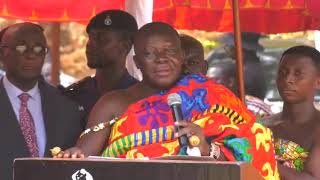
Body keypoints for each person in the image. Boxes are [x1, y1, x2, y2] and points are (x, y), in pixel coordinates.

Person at [55, 22, 279, 179]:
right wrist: (74, 154)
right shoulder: (114, 103)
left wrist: (206, 147)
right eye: (150, 54)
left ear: (181, 56)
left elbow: (254, 146)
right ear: (137, 61)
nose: (161, 59)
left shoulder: (212, 95)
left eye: (169, 51)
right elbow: (84, 156)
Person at [0, 22, 83, 180]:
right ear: (2, 53)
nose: (31, 55)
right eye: (21, 47)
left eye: (39, 48)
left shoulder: (66, 105)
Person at [61, 10, 138, 129]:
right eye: (91, 37)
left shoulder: (139, 97)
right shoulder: (74, 94)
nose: (91, 44)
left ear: (125, 46)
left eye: (102, 39)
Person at [262, 46, 320, 179]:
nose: (288, 79)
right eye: (282, 72)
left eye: (298, 74)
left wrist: (262, 161)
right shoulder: (260, 126)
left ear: (318, 81)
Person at [208, 60, 273, 118]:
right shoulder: (207, 107)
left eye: (213, 80)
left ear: (230, 82)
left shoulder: (255, 109)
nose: (208, 84)